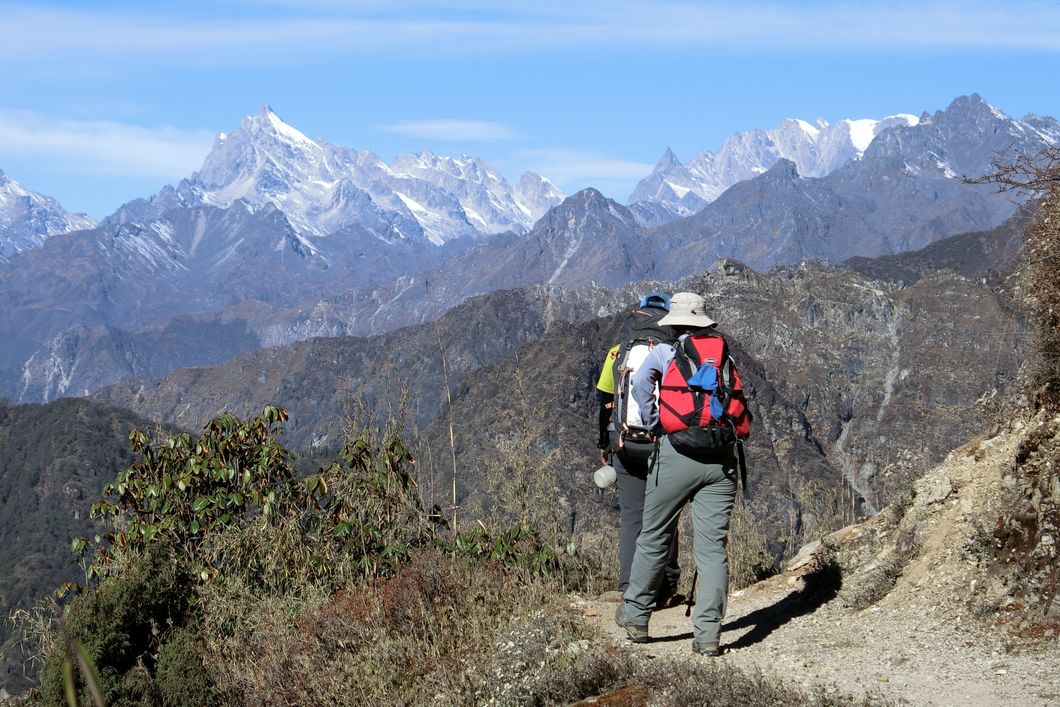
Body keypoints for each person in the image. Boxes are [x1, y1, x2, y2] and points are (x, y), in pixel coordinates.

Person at [615, 291, 749, 657]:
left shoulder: (665, 352)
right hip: (720, 459)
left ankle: (636, 618)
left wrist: (654, 422)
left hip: (675, 454)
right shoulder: (723, 355)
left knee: (654, 535)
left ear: (673, 324)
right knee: (712, 550)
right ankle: (708, 637)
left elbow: (640, 385)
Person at [594, 293, 681, 604]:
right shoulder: (676, 351)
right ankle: (665, 586)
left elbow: (606, 403)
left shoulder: (617, 353)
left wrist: (604, 443)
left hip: (625, 443)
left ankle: (629, 586)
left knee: (632, 516)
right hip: (665, 446)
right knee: (665, 515)